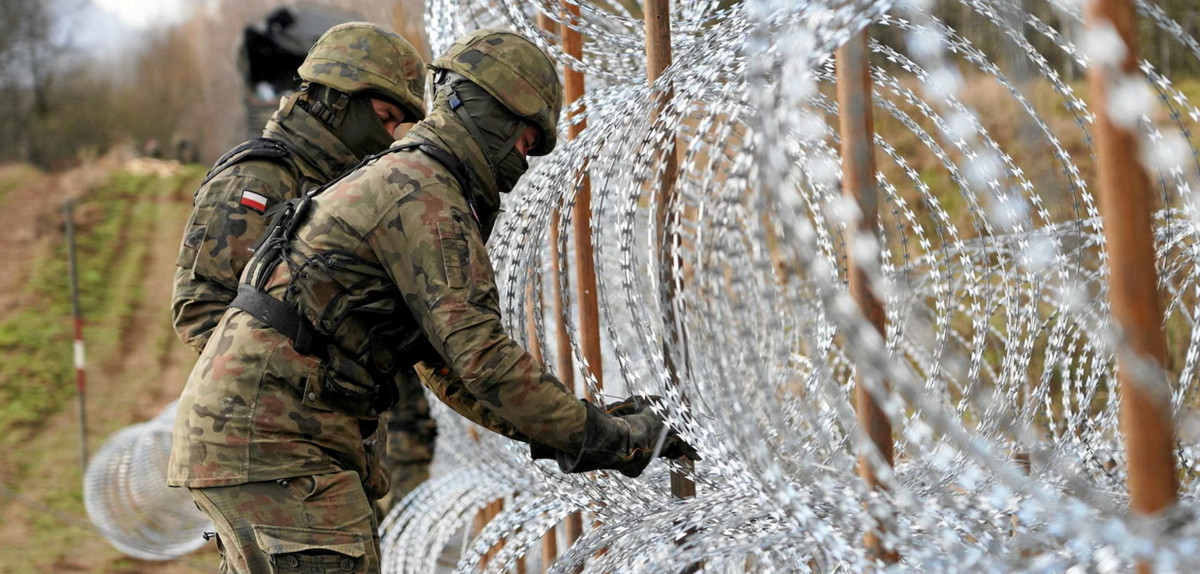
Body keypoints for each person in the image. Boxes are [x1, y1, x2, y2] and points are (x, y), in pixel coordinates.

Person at [169, 28, 695, 573]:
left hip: (271, 444)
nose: (523, 164)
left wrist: (589, 427)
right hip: (282, 447)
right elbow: (484, 361)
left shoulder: (413, 181)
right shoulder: (427, 197)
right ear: (487, 114)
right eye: (523, 140)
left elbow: (453, 370)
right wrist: (610, 439)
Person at [169, 20, 436, 529]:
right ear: (339, 100)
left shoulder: (344, 191)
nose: (388, 135)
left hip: (328, 449)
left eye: (397, 125)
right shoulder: (260, 179)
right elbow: (201, 310)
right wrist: (304, 390)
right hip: (271, 452)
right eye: (383, 116)